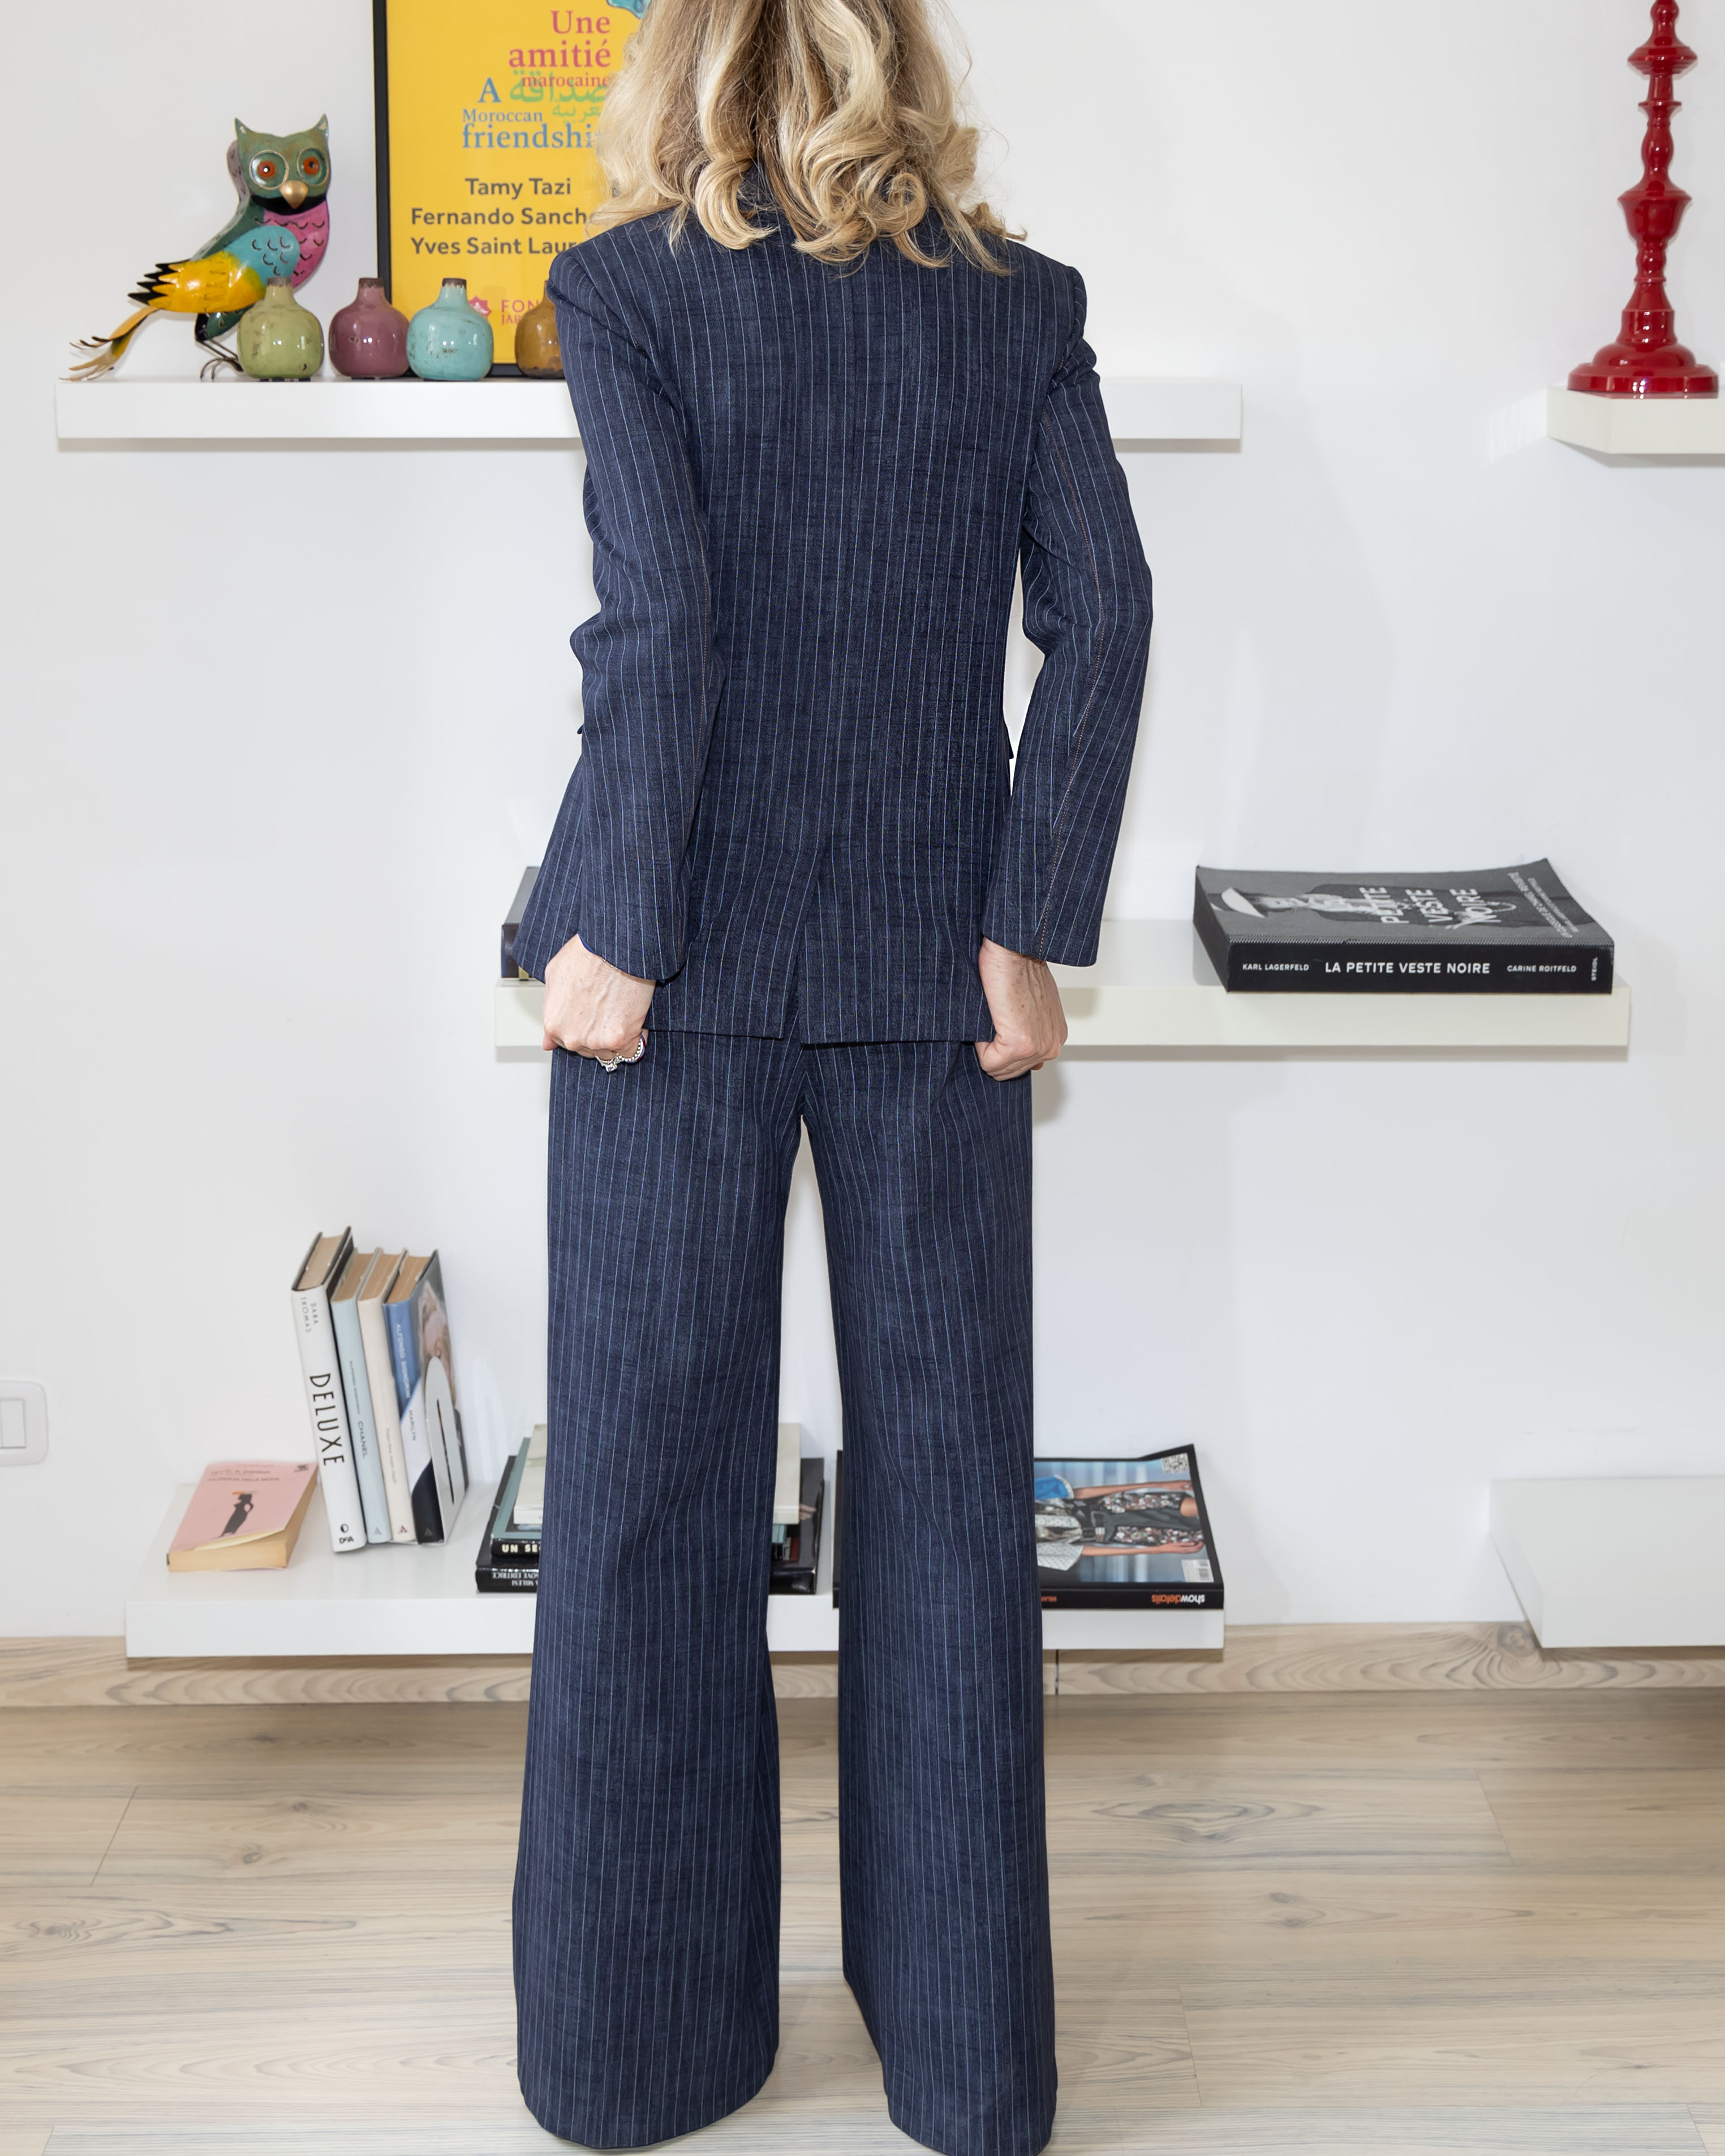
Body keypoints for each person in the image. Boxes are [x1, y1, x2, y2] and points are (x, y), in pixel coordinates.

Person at [509, 3, 1152, 2150]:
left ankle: (635, 2058)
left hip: (672, 972)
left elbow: (660, 626)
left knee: (642, 1502)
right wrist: (1028, 916)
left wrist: (613, 923)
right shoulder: (1021, 305)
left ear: (684, 72)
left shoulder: (623, 293)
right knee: (952, 1504)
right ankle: (965, 2072)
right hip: (935, 965)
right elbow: (1106, 609)